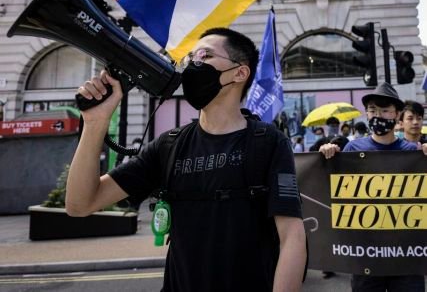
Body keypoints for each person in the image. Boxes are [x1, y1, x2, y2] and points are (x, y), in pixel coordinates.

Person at [66, 27, 307, 292]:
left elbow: (292, 237)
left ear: (240, 73)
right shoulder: (169, 146)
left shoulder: (268, 142)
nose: (193, 64)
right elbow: (80, 204)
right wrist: (95, 122)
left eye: (205, 55)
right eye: (190, 57)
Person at [319, 82, 426, 292]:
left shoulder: (411, 152)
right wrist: (326, 155)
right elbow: (335, 189)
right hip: (366, 256)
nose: (378, 116)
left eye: (385, 110)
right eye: (372, 110)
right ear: (366, 114)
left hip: (405, 257)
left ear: (396, 115)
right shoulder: (352, 149)